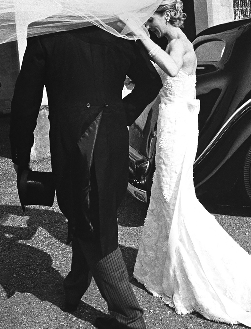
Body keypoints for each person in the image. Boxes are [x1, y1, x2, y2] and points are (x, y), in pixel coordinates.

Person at [130, 0, 251, 328]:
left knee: (174, 196)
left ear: (164, 16)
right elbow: (164, 81)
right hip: (172, 121)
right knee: (166, 195)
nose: (148, 25)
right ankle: (173, 269)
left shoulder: (178, 43)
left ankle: (206, 272)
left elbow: (167, 67)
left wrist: (138, 38)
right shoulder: (173, 42)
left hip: (178, 126)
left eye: (150, 19)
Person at [9, 20, 162, 328]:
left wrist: (21, 157)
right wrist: (119, 116)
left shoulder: (46, 35)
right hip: (112, 140)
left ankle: (129, 317)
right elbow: (150, 83)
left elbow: (25, 104)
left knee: (93, 222)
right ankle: (74, 287)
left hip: (77, 144)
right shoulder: (118, 34)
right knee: (92, 214)